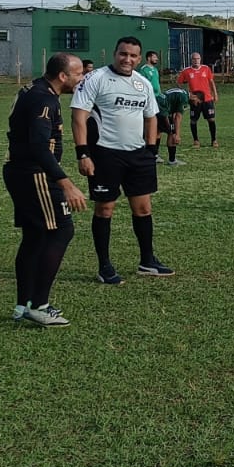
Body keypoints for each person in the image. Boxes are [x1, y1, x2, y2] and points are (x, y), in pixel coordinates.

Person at [71, 35, 173, 284]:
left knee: (143, 208)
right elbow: (78, 116)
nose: (127, 59)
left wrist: (151, 150)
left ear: (139, 59)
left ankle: (147, 261)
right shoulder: (95, 78)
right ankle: (104, 266)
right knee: (105, 209)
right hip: (105, 154)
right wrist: (83, 153)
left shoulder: (142, 83)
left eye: (133, 56)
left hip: (138, 155)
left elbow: (151, 117)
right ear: (115, 54)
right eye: (123, 54)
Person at [4, 53, 89, 326]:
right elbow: (39, 147)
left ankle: (23, 305)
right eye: (78, 73)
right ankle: (39, 304)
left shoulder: (35, 88)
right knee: (61, 230)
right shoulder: (44, 99)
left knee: (35, 236)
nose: (82, 78)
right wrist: (66, 184)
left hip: (20, 171)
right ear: (63, 76)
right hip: (35, 174)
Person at [176, 52, 219, 147]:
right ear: (191, 60)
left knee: (211, 119)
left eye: (198, 59)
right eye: (194, 59)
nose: (196, 61)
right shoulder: (186, 71)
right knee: (193, 120)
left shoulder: (206, 69)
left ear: (200, 59)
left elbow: (211, 81)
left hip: (207, 99)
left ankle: (214, 140)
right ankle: (196, 140)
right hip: (195, 100)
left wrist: (215, 94)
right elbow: (179, 83)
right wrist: (187, 94)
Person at [159, 85, 188, 165]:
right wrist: (177, 135)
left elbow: (174, 112)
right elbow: (178, 117)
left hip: (158, 103)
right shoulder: (184, 98)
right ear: (195, 97)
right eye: (198, 102)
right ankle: (172, 160)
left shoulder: (182, 92)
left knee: (157, 131)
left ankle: (154, 156)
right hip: (162, 108)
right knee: (171, 133)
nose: (196, 105)